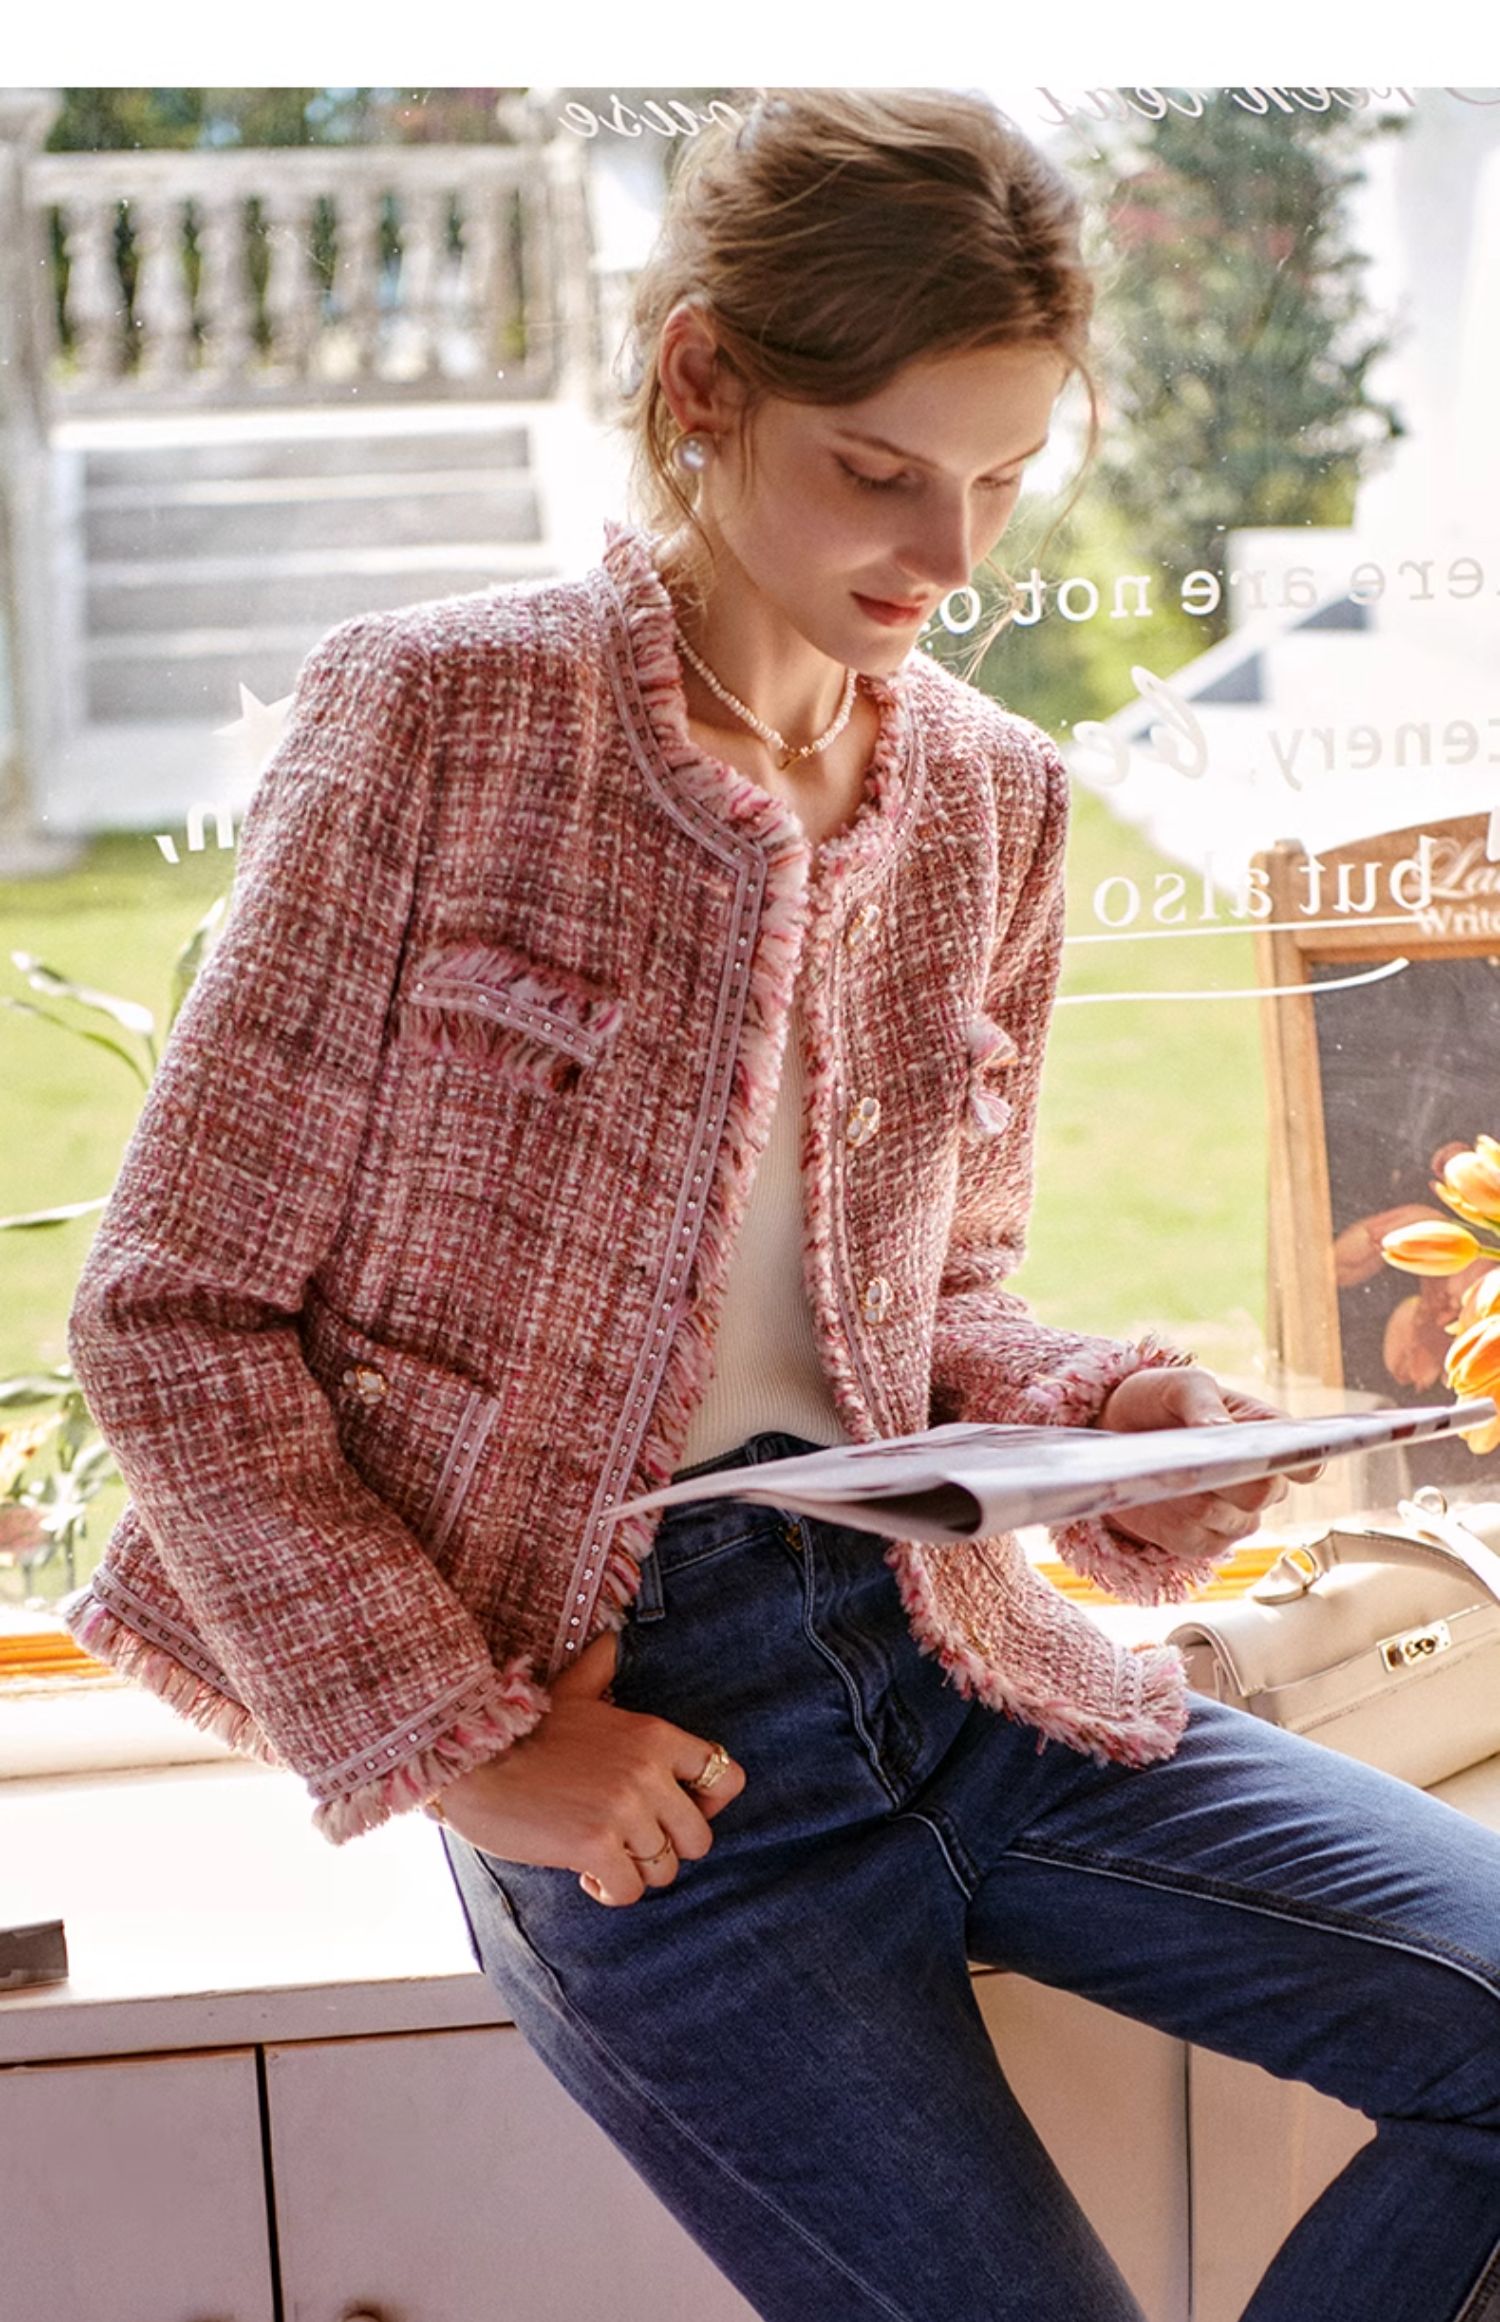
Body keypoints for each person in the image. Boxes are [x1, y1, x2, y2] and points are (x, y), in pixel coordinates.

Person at [62, 88, 1500, 2322]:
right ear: (702, 382)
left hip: (959, 1663)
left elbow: (931, 1309)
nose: (949, 554)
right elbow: (173, 1311)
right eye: (882, 469)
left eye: (1001, 480)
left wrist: (1108, 1418)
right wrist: (469, 1746)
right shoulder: (439, 719)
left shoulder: (993, 802)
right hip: (620, 1730)